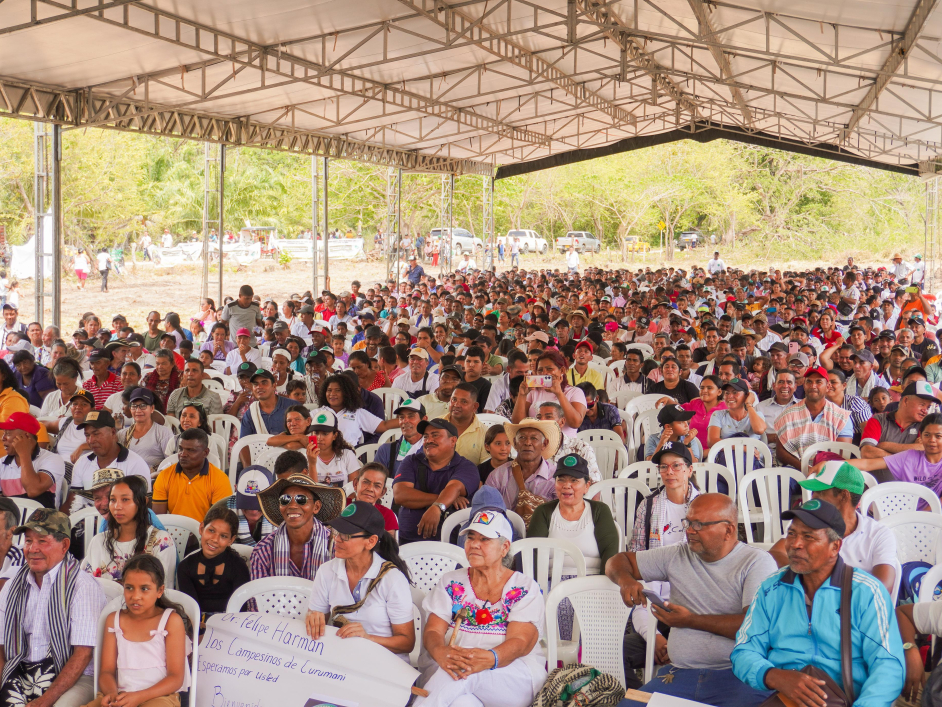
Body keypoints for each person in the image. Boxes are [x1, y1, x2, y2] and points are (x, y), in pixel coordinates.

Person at [731, 499, 905, 707]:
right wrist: (774, 676)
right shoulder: (771, 588)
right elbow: (744, 650)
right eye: (792, 534)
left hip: (850, 700)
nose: (795, 544)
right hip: (783, 697)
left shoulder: (866, 592)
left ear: (835, 547)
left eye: (808, 537)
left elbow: (888, 666)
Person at [609, 494, 778, 707]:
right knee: (628, 705)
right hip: (679, 674)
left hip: (737, 675)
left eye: (699, 524)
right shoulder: (678, 554)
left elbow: (753, 627)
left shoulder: (756, 562)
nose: (689, 530)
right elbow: (618, 561)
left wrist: (690, 620)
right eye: (688, 522)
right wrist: (625, 580)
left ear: (729, 530)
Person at [417, 509, 546, 707]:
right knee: (463, 703)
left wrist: (490, 658)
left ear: (504, 548)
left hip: (511, 676)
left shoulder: (524, 587)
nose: (474, 545)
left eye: (485, 539)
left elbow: (521, 641)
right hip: (454, 673)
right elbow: (433, 630)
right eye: (471, 537)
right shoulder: (451, 582)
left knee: (465, 673)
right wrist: (440, 651)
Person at [0, 509, 106, 706]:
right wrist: (5, 685)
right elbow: (1, 647)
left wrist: (44, 700)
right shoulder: (13, 586)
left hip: (75, 678)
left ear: (64, 545)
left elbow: (83, 654)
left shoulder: (82, 587)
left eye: (42, 541)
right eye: (29, 541)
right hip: (20, 671)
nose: (32, 549)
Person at [769, 461, 899, 595]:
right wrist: (805, 577)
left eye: (820, 493)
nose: (813, 497)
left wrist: (827, 588)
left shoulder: (879, 534)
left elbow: (883, 587)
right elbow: (776, 553)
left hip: (854, 610)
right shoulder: (805, 522)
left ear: (844, 495)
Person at [304, 501, 415, 659]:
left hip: (384, 662)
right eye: (336, 532)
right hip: (343, 658)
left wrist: (368, 638)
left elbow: (407, 643)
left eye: (346, 535)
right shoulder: (327, 571)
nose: (337, 539)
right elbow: (317, 620)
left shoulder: (392, 579)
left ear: (370, 541)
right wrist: (313, 619)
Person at [528, 454, 619, 641]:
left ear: (587, 486)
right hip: (553, 585)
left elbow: (610, 554)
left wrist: (599, 590)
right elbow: (532, 555)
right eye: (561, 480)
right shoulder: (544, 512)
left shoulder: (599, 511)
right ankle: (561, 663)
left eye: (574, 480)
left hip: (593, 582)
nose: (566, 486)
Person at [88, 554, 190, 707]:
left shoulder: (170, 621)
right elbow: (106, 672)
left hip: (159, 697)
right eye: (129, 588)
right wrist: (112, 694)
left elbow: (175, 678)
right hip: (119, 695)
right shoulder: (114, 620)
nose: (136, 596)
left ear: (160, 590)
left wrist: (139, 697)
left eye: (144, 589)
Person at [392, 418, 479, 544]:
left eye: (435, 435)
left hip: (449, 546)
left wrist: (437, 508)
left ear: (453, 440)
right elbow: (400, 495)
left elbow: (454, 488)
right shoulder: (411, 461)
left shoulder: (466, 466)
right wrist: (443, 500)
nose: (429, 440)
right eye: (426, 436)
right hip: (407, 542)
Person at [81, 475, 177, 585]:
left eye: (125, 499)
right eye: (112, 500)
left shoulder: (160, 541)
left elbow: (163, 590)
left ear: (142, 501)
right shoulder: (98, 541)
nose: (117, 506)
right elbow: (85, 585)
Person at [250, 474, 345, 581]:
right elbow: (257, 596)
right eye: (285, 499)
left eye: (301, 499)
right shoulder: (263, 551)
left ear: (316, 507)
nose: (292, 505)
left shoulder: (335, 548)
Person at [68, 409, 152, 512]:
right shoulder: (82, 462)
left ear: (113, 432)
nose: (91, 440)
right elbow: (73, 502)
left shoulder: (136, 464)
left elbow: (143, 506)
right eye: (87, 435)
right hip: (87, 522)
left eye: (96, 434)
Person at [177, 506, 249, 616]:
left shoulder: (238, 567)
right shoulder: (185, 567)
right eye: (211, 531)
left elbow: (241, 607)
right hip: (197, 624)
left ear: (231, 540)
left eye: (223, 536)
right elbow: (190, 608)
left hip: (230, 624)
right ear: (201, 528)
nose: (215, 539)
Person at [485, 418, 561, 517]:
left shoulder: (556, 477)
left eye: (534, 438)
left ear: (544, 444)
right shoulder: (498, 475)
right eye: (522, 438)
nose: (527, 443)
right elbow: (487, 511)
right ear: (515, 443)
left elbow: (561, 514)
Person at [152, 428, 230, 522]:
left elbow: (219, 521)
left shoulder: (220, 479)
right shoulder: (165, 476)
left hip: (204, 533)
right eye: (180, 449)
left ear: (205, 453)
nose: (183, 454)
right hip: (172, 532)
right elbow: (159, 519)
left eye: (191, 450)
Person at [512, 349, 587, 437]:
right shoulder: (533, 392)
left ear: (562, 370)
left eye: (549, 369)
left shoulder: (574, 392)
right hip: (537, 445)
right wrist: (522, 395)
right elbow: (518, 424)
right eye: (540, 370)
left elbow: (575, 423)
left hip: (565, 445)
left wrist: (559, 393)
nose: (544, 373)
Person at [0, 411, 66, 509]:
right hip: (10, 521)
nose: (3, 438)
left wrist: (23, 453)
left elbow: (33, 490)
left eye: (8, 433)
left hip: (42, 521)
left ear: (26, 436)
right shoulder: (1, 463)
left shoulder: (52, 459)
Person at [859, 380, 936, 459]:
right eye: (922, 404)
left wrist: (885, 445)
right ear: (906, 401)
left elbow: (923, 450)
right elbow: (867, 453)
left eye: (928, 407)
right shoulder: (879, 420)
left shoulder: (925, 426)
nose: (925, 410)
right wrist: (909, 452)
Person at [121, 387, 175, 472]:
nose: (138, 410)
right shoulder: (123, 434)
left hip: (154, 479)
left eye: (143, 406)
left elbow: (171, 461)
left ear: (152, 408)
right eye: (134, 406)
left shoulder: (163, 432)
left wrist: (153, 471)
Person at [306, 408, 360, 486]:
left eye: (325, 433)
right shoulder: (305, 455)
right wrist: (312, 464)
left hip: (344, 498)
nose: (319, 438)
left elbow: (354, 490)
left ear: (334, 435)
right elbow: (311, 491)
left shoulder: (347, 454)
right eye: (316, 433)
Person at [374, 398, 426, 478]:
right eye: (401, 417)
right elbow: (376, 480)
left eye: (411, 416)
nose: (405, 421)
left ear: (424, 420)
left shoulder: (432, 450)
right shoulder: (385, 450)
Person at [346, 462, 398, 534]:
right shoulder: (340, 505)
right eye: (366, 482)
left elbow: (388, 544)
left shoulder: (387, 515)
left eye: (377, 486)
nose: (370, 489)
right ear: (355, 484)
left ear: (382, 492)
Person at [442, 383, 487, 465]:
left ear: (474, 407)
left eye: (464, 401)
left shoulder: (485, 433)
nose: (456, 405)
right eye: (454, 399)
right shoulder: (436, 424)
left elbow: (484, 468)